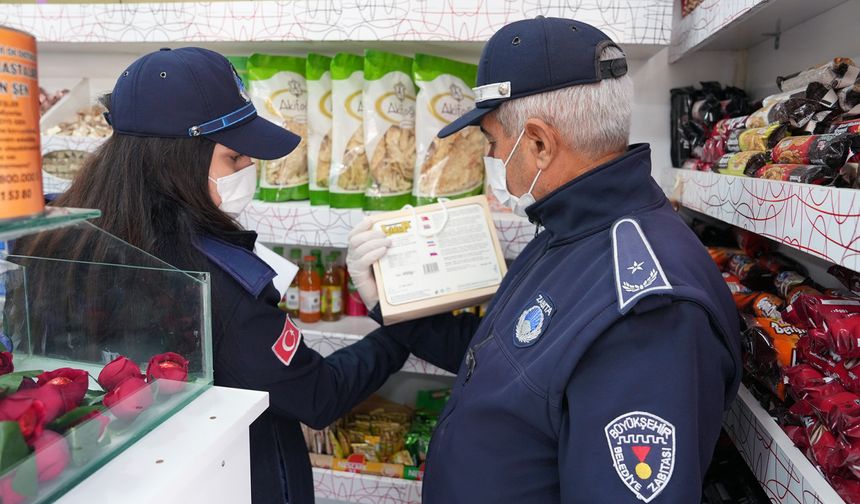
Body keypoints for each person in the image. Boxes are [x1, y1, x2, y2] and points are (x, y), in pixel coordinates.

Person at [347, 17, 742, 503]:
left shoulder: (649, 314)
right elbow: (508, 359)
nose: (491, 158)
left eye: (491, 143)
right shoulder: (568, 231)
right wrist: (389, 302)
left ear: (538, 143)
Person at [17, 48, 410, 504]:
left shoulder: (55, 237)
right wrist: (400, 324)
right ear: (177, 161)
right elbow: (317, 395)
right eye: (235, 157)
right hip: (231, 477)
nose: (249, 169)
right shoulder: (219, 284)